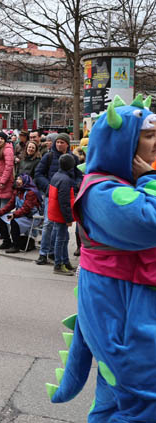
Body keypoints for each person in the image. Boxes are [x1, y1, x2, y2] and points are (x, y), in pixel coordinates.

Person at [48, 96, 156, 421]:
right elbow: (149, 222)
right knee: (141, 404)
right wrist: (150, 178)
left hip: (129, 311)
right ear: (122, 144)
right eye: (148, 136)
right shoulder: (103, 192)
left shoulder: (126, 185)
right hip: (121, 317)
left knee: (114, 400)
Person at [34, 133, 76, 265]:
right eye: (57, 142)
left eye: (61, 142)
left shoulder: (73, 158)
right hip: (51, 195)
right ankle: (43, 253)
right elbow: (38, 174)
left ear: (67, 144)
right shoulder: (49, 156)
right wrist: (49, 187)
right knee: (48, 224)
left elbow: (78, 176)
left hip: (66, 195)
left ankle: (55, 253)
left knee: (61, 228)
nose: (58, 144)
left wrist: (75, 187)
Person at [0, 174, 42, 253]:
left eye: (20, 179)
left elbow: (26, 208)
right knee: (0, 218)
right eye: (17, 179)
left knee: (14, 221)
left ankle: (16, 246)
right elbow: (10, 204)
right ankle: (7, 242)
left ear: (25, 181)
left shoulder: (31, 192)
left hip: (31, 217)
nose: (17, 181)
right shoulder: (17, 191)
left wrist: (14, 215)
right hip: (20, 214)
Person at [47, 154, 77, 275]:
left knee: (64, 238)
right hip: (61, 214)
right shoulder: (65, 180)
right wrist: (68, 218)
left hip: (56, 212)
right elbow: (64, 201)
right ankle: (58, 265)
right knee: (61, 239)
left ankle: (65, 262)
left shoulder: (57, 176)